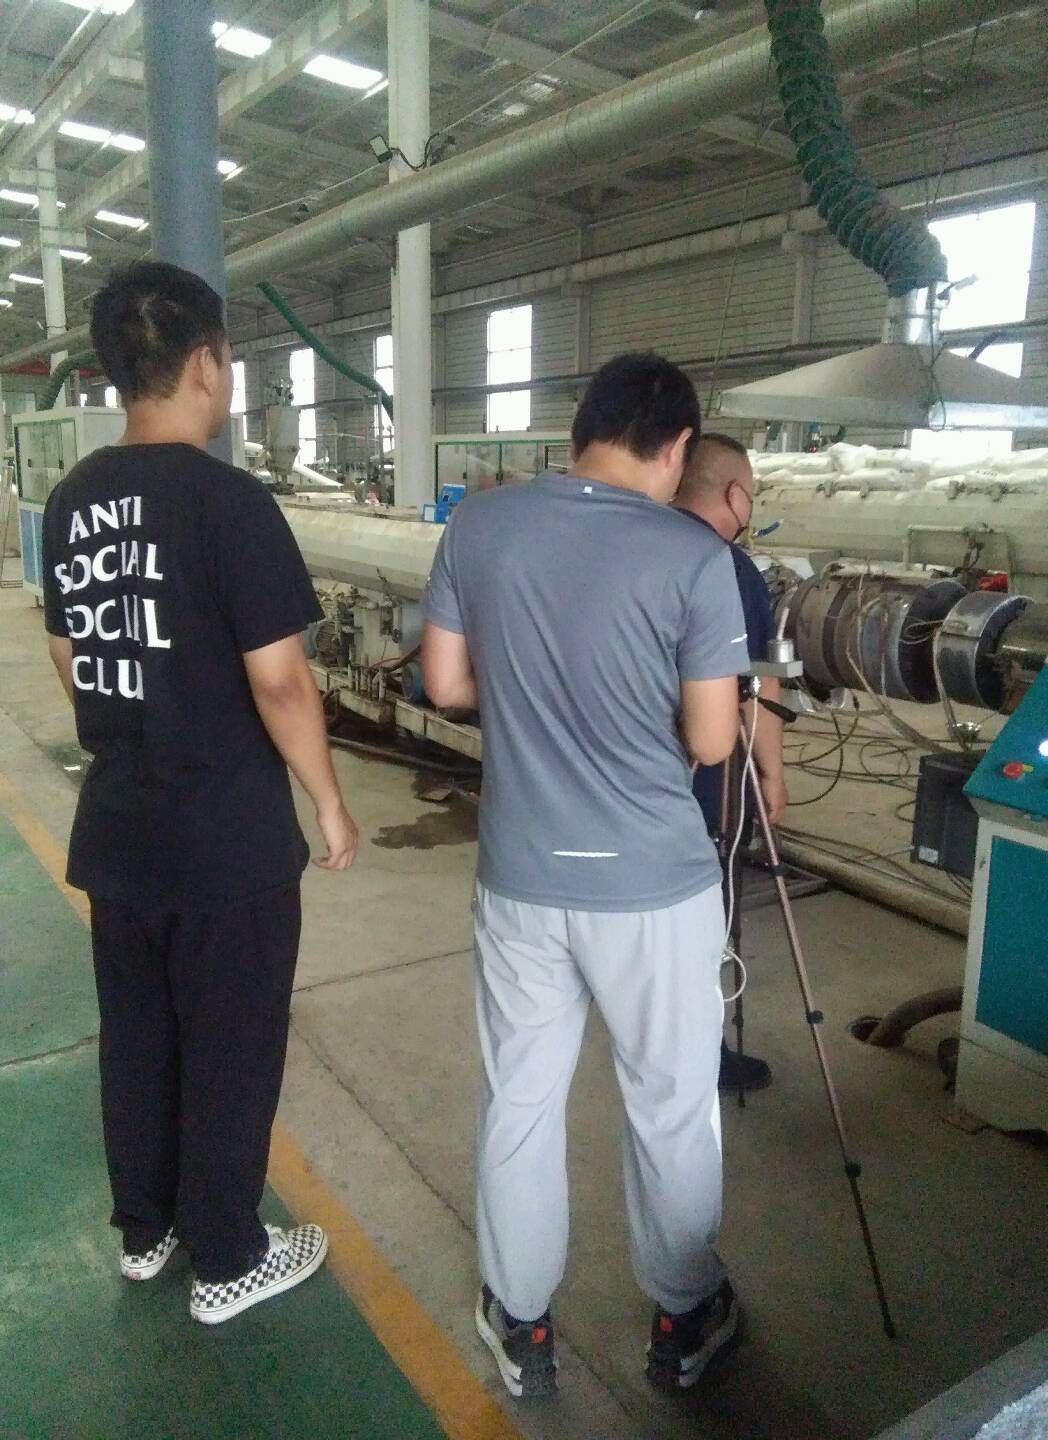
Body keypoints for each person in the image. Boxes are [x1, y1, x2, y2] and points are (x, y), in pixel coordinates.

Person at [421, 353, 750, 1398]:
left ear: (581, 430)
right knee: (671, 1104)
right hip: (655, 886)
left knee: (520, 1099)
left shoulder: (480, 524)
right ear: (679, 447)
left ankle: (521, 1325)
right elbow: (712, 740)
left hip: (522, 873)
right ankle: (682, 1315)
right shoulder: (694, 557)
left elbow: (445, 682)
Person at [41, 261, 358, 1326]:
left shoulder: (73, 498)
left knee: (140, 1037)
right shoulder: (230, 503)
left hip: (120, 829)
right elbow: (281, 681)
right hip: (225, 839)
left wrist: (139, 710)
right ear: (207, 364)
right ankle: (228, 1256)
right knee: (229, 1043)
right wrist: (328, 800)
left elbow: (70, 653)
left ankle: (149, 1231)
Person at [674, 434, 789, 1093]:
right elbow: (758, 685)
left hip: (621, 783)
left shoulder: (634, 549)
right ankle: (700, 1053)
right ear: (733, 494)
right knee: (701, 918)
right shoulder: (730, 569)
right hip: (703, 787)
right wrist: (772, 773)